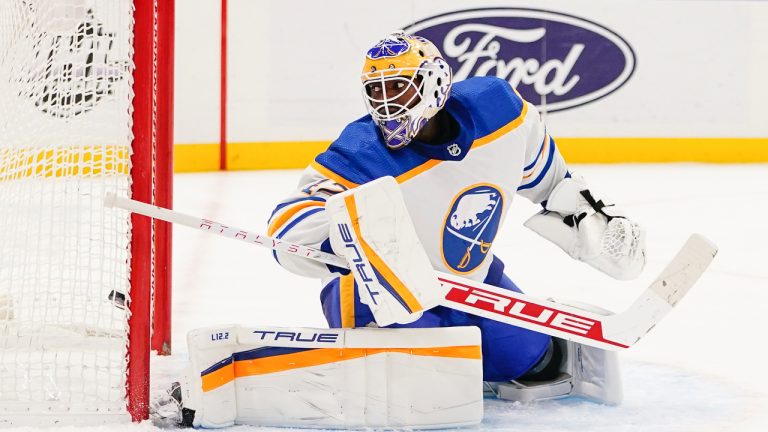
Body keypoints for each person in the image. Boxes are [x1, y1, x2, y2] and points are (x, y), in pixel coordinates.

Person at [268, 31, 645, 398]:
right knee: (421, 386)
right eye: (376, 91)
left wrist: (590, 220)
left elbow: (549, 180)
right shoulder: (360, 152)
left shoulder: (500, 111)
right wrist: (357, 243)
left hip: (473, 284)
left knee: (532, 360)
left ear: (433, 81)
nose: (387, 103)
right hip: (388, 294)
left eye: (398, 87)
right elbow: (289, 228)